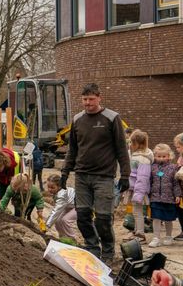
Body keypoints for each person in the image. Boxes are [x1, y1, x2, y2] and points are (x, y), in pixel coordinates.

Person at [59, 83, 130, 263]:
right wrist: (65, 172)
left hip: (104, 176)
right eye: (84, 99)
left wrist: (125, 175)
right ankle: (92, 246)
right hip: (82, 175)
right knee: (82, 215)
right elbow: (72, 149)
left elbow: (122, 149)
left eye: (91, 99)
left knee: (103, 217)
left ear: (99, 97)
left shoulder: (112, 118)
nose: (88, 103)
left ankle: (107, 250)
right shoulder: (77, 119)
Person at [147, 144, 181, 247]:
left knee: (168, 219)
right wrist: (148, 194)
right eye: (159, 156)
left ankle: (168, 236)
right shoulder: (152, 167)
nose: (161, 158)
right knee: (156, 218)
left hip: (169, 198)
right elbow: (149, 181)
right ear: (155, 156)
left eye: (164, 156)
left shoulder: (173, 167)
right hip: (155, 197)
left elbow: (176, 183)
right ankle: (156, 237)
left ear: (169, 156)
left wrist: (178, 195)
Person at [126, 130, 153, 242]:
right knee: (136, 212)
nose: (130, 145)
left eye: (132, 143)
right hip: (135, 189)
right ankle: (136, 232)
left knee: (138, 212)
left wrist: (138, 194)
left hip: (139, 190)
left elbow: (142, 178)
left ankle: (140, 234)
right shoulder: (138, 156)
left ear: (138, 144)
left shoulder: (142, 159)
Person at [44, 174, 78, 240]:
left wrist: (47, 225)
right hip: (69, 205)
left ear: (59, 187)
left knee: (65, 220)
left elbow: (56, 211)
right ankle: (63, 238)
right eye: (48, 187)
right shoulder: (57, 193)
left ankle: (72, 239)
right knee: (58, 220)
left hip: (79, 205)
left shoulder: (62, 195)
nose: (49, 189)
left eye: (52, 187)